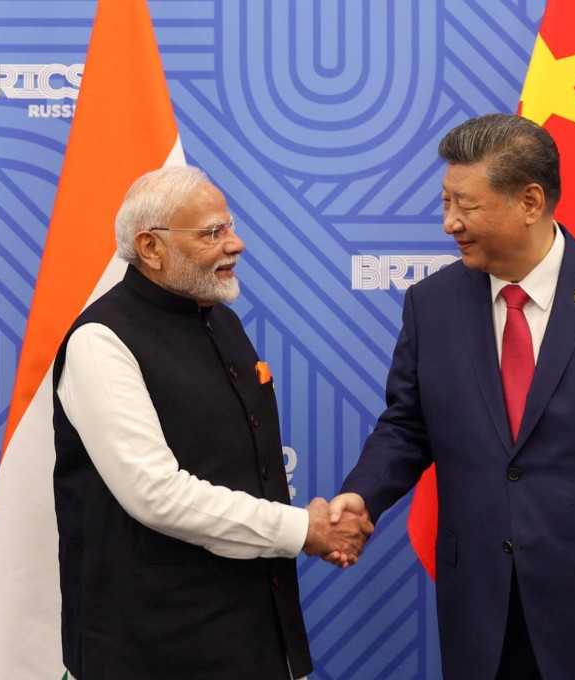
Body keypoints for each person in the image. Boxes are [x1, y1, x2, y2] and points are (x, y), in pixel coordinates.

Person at [329, 113, 575, 680]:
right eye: (446, 202)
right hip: (483, 607)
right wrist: (362, 494)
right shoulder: (431, 304)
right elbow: (407, 426)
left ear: (530, 202)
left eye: (466, 206)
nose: (449, 223)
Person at [52, 166, 371, 679]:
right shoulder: (101, 340)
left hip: (252, 636)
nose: (235, 244)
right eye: (212, 232)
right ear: (151, 248)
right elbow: (156, 494)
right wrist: (303, 529)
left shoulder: (222, 321)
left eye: (230, 226)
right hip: (153, 650)